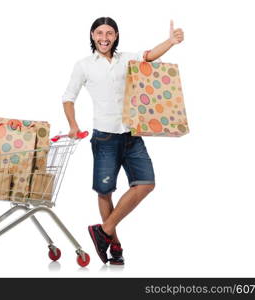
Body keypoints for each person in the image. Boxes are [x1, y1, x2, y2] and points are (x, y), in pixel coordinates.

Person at [62, 17, 184, 265]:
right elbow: (68, 97)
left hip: (131, 133)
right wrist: (73, 124)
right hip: (104, 137)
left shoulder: (127, 58)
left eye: (109, 33)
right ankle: (114, 244)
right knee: (105, 191)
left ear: (116, 36)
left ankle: (104, 230)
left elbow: (149, 56)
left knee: (146, 183)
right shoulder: (84, 65)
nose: (104, 37)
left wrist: (170, 42)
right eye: (99, 33)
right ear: (92, 35)